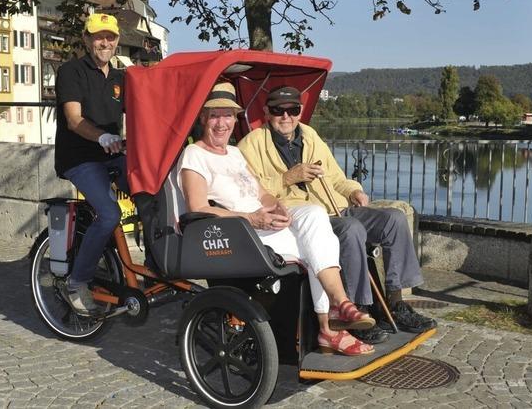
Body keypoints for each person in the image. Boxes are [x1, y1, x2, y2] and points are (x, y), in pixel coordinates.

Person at [178, 82, 376, 356]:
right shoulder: (195, 155)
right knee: (317, 244)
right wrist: (251, 218)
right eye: (214, 115)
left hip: (262, 221)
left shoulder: (235, 154)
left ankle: (338, 306)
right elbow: (197, 207)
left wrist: (279, 208)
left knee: (316, 218)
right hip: (237, 231)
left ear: (235, 119)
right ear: (202, 118)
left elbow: (262, 194)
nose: (221, 123)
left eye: (227, 115)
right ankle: (331, 324)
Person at [238, 86, 437, 335]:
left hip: (335, 206)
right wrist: (287, 178)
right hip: (302, 216)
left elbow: (336, 177)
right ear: (267, 112)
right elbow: (248, 192)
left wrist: (353, 191)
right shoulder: (251, 145)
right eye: (279, 110)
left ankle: (396, 304)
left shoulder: (310, 136)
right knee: (351, 229)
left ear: (300, 112)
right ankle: (355, 311)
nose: (286, 116)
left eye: (293, 110)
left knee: (394, 219)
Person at [54, 13, 127, 316]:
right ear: (86, 39)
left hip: (112, 152)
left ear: (117, 41)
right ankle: (77, 282)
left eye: (110, 37)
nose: (105, 42)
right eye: (98, 37)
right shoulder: (71, 71)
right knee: (109, 214)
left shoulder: (122, 77)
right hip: (79, 157)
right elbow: (73, 120)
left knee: (154, 190)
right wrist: (102, 137)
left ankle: (153, 265)